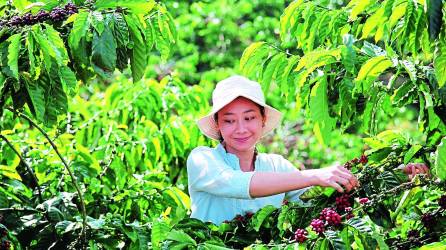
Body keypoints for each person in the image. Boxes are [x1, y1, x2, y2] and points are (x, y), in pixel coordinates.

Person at [187, 75, 429, 225]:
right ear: (217, 124)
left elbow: (325, 201)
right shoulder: (202, 159)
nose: (240, 129)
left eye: (249, 118)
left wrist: (393, 175)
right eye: (229, 120)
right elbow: (235, 183)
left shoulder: (276, 166)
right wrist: (313, 174)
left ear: (262, 120)